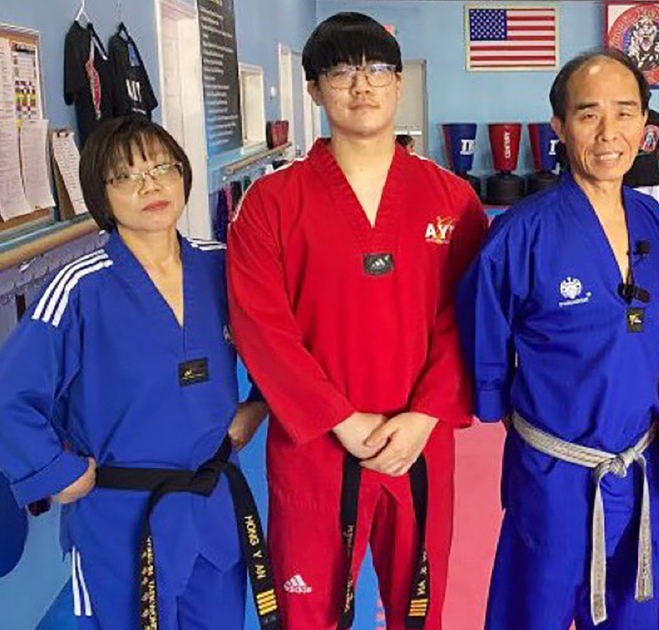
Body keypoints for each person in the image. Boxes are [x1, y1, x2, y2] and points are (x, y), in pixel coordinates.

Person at [226, 12, 487, 630]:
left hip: (419, 441)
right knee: (309, 613)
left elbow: (471, 317)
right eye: (342, 72)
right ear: (315, 90)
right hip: (315, 445)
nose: (362, 85)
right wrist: (339, 419)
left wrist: (426, 415)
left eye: (377, 70)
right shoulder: (271, 203)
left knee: (419, 610)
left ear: (399, 83)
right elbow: (262, 327)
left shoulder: (452, 199)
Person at [0, 116, 275, 629]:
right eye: (126, 176)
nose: (150, 185)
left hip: (212, 506)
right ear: (102, 196)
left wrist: (259, 404)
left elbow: (283, 341)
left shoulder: (222, 266)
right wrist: (57, 471)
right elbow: (2, 397)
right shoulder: (80, 288)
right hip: (121, 520)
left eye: (162, 168)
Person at [458, 49, 659, 630]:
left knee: (633, 615)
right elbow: (484, 340)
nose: (609, 133)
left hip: (641, 468)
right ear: (558, 125)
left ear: (645, 123)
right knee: (535, 613)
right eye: (588, 114)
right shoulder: (519, 234)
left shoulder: (653, 222)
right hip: (553, 476)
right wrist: (510, 411)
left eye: (625, 113)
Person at [623, 108, 659, 203]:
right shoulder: (658, 118)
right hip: (652, 169)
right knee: (653, 207)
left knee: (632, 207)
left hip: (631, 170)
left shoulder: (628, 116)